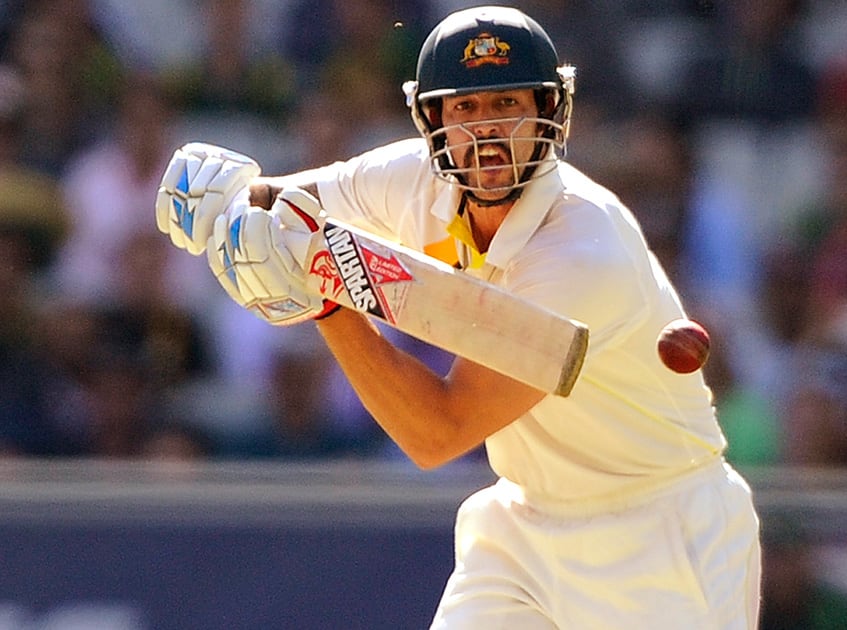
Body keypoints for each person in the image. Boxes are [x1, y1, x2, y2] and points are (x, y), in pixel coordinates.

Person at [156, 6, 761, 628]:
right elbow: (284, 207)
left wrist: (326, 300)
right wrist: (221, 198)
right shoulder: (413, 178)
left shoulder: (583, 252)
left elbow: (440, 431)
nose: (486, 132)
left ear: (551, 111)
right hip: (522, 523)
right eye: (465, 109)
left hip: (656, 529)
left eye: (506, 105)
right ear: (431, 118)